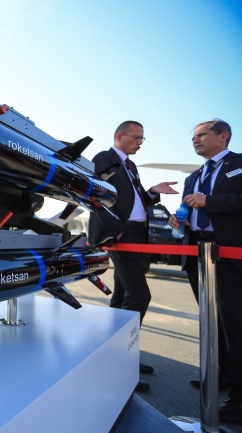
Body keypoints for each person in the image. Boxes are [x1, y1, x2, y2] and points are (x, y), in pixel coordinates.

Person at [88, 120, 178, 393]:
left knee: (123, 294)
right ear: (120, 136)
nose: (140, 142)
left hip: (138, 233)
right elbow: (94, 195)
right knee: (139, 295)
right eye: (137, 137)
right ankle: (119, 359)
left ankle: (118, 354)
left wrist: (153, 191)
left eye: (142, 139)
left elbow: (137, 200)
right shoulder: (104, 158)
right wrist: (115, 229)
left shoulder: (131, 165)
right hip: (122, 233)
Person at [168, 119, 242, 424]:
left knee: (234, 326)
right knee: (213, 323)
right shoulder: (194, 176)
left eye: (201, 135)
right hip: (198, 254)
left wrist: (210, 201)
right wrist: (178, 219)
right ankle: (221, 376)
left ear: (223, 136)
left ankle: (239, 400)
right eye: (193, 136)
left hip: (229, 255)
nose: (195, 140)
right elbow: (189, 209)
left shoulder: (239, 165)